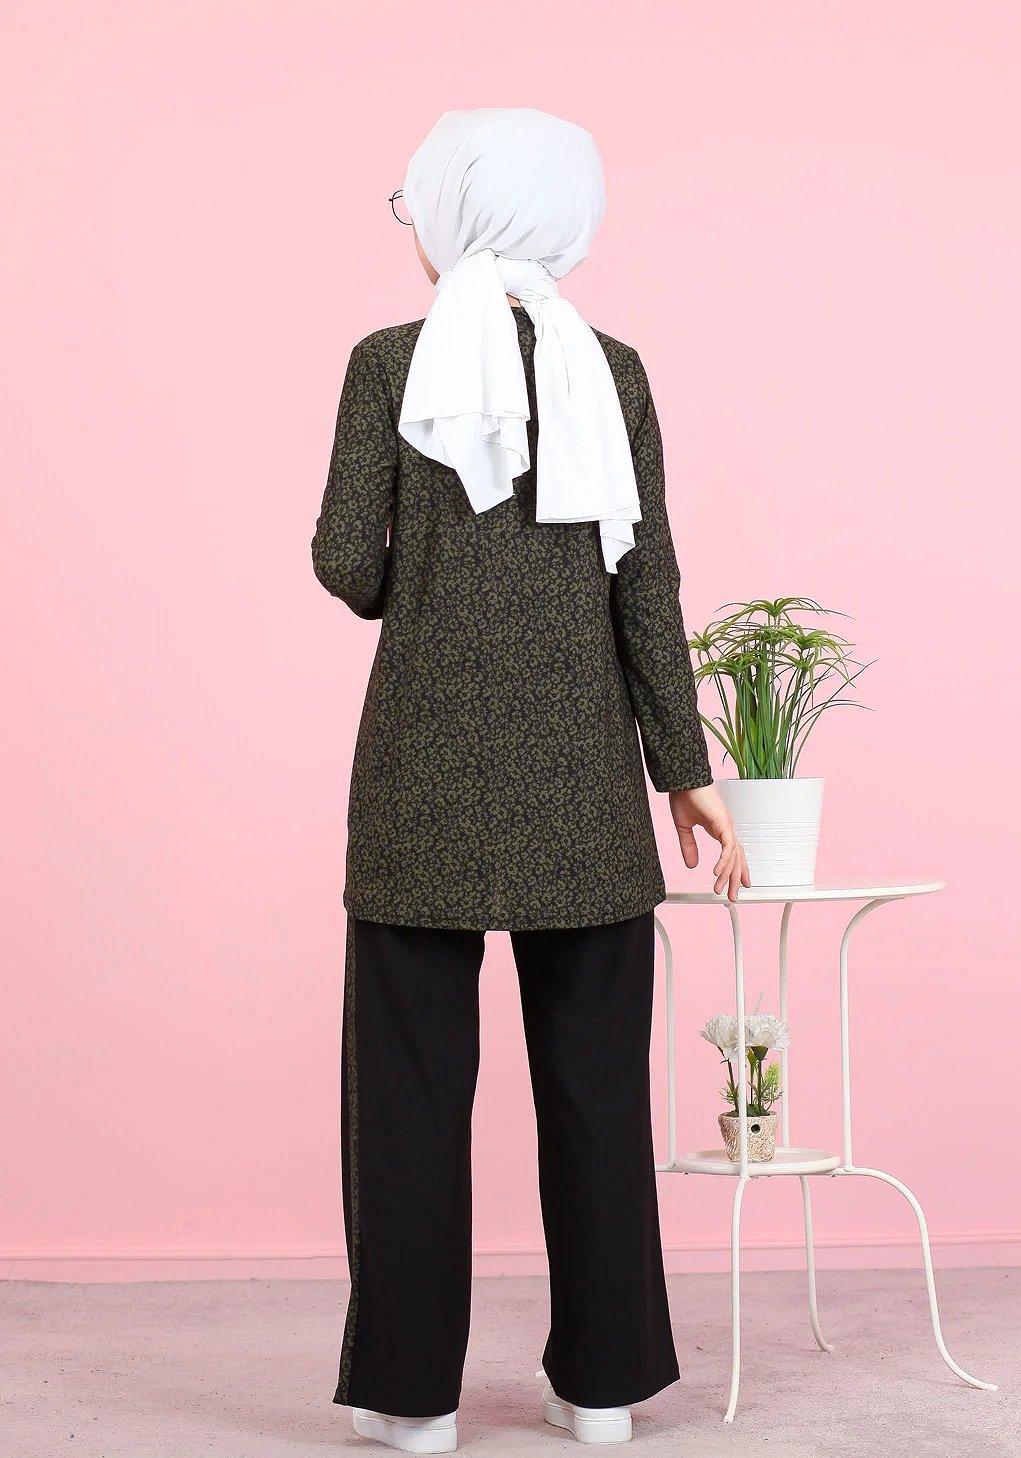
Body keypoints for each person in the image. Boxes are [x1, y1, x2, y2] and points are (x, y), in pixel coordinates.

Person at [311, 107, 750, 1452]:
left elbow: (348, 564)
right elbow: (646, 582)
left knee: (407, 1096)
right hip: (584, 785)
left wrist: (422, 563)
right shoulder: (613, 371)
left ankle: (411, 1398)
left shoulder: (388, 364)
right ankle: (604, 1387)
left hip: (421, 781)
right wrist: (685, 769)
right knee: (597, 1093)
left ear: (456, 213)